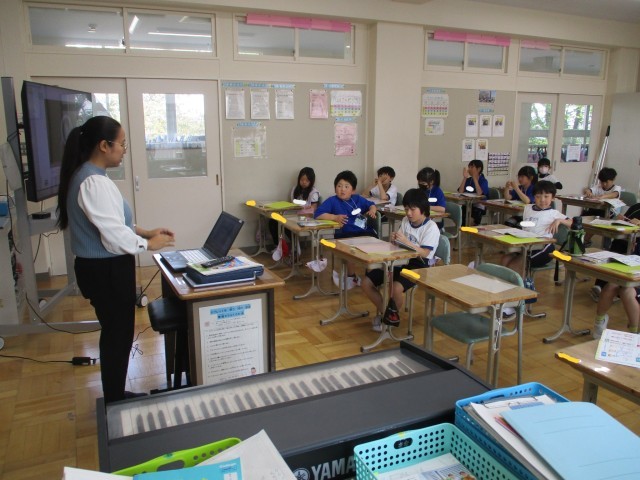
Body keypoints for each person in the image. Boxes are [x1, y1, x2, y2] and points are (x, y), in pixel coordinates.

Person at [57, 116, 175, 404]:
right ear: (103, 145)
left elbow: (114, 221)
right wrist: (148, 244)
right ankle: (114, 400)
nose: (124, 150)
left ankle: (115, 394)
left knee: (117, 333)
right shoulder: (92, 182)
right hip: (105, 271)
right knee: (117, 335)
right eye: (121, 144)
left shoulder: (91, 176)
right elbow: (112, 236)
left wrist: (145, 231)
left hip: (103, 269)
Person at [361, 189, 440, 331]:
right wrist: (395, 240)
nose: (408, 213)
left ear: (423, 209)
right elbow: (398, 244)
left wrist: (406, 242)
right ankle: (388, 314)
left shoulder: (431, 227)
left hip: (419, 266)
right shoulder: (405, 221)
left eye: (412, 209)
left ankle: (388, 319)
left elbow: (425, 253)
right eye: (406, 209)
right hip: (400, 260)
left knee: (396, 288)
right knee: (367, 282)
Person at [315, 170, 377, 288]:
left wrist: (372, 210)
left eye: (346, 186)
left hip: (364, 232)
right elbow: (318, 214)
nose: (342, 189)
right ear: (335, 188)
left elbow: (371, 204)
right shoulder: (332, 201)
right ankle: (351, 276)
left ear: (353, 190)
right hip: (345, 234)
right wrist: (334, 217)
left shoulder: (358, 199)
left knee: (374, 246)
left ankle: (371, 277)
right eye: (339, 186)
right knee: (350, 250)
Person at [501, 180, 571, 283]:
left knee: (516, 264)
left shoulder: (553, 213)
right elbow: (510, 198)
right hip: (526, 244)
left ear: (553, 198)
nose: (542, 200)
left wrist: (559, 220)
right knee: (505, 259)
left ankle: (519, 288)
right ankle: (505, 285)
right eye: (538, 196)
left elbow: (573, 223)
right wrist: (508, 188)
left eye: (546, 196)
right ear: (534, 197)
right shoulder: (528, 208)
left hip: (543, 248)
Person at [590, 202, 640, 302]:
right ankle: (601, 284)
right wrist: (620, 219)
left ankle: (618, 287)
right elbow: (625, 219)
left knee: (628, 250)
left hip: (637, 243)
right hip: (627, 238)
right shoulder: (636, 207)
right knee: (616, 246)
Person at [268, 166, 320, 248]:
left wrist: (302, 213)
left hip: (305, 218)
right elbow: (292, 204)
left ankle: (295, 245)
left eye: (307, 180)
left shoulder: (313, 193)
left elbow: (313, 210)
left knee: (287, 223)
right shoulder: (295, 189)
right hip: (293, 214)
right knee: (273, 221)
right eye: (302, 180)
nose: (304, 182)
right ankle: (278, 246)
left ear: (311, 181)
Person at [457, 159, 489, 226]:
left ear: (479, 169)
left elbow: (480, 193)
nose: (469, 169)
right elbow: (460, 192)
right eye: (469, 167)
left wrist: (475, 178)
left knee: (470, 222)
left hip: (479, 205)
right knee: (461, 219)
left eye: (472, 167)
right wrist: (465, 178)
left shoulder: (483, 181)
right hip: (468, 204)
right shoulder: (469, 180)